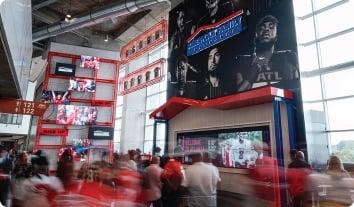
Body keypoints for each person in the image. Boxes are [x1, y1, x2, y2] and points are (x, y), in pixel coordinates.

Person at [233, 15, 299, 92]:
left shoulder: (289, 57)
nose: (266, 30)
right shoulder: (242, 61)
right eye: (262, 27)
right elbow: (238, 94)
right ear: (255, 35)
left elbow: (299, 89)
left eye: (271, 27)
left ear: (276, 35)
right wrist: (250, 76)